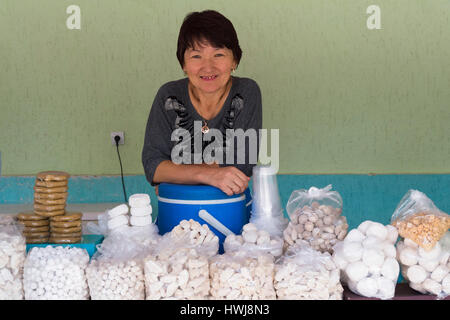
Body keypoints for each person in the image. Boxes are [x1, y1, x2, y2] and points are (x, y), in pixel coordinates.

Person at [142, 10, 262, 196]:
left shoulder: (246, 92)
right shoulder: (168, 96)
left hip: (230, 208)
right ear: (183, 63)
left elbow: (242, 163)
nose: (208, 67)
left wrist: (176, 173)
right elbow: (153, 166)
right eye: (196, 56)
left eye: (219, 55)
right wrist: (211, 174)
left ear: (234, 60)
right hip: (177, 210)